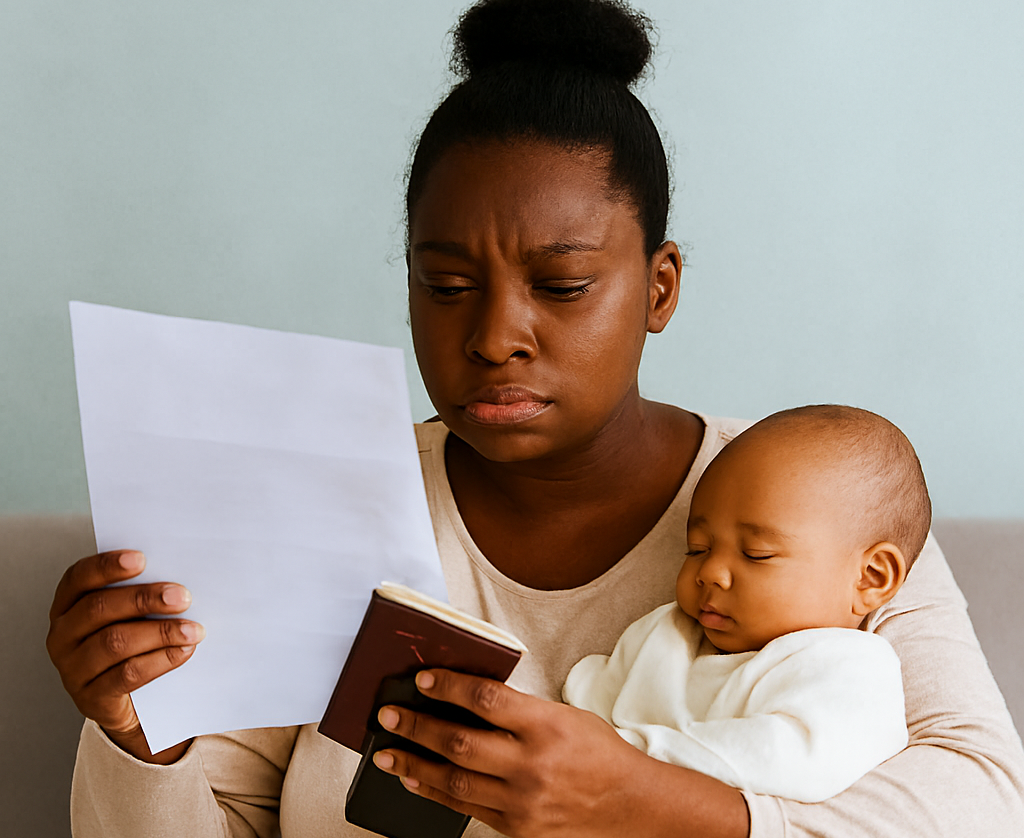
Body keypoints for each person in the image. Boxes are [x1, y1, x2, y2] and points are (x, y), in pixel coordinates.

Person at [45, 1, 1024, 836]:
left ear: (659, 287)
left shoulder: (814, 501)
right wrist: (139, 735)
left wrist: (647, 801)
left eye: (561, 286)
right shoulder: (323, 503)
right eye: (446, 285)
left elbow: (984, 799)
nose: (493, 337)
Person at [563, 404, 929, 802]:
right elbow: (582, 710)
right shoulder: (665, 633)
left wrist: (621, 757)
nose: (710, 573)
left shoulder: (850, 668)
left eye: (756, 553)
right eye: (697, 549)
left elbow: (789, 763)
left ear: (871, 577)